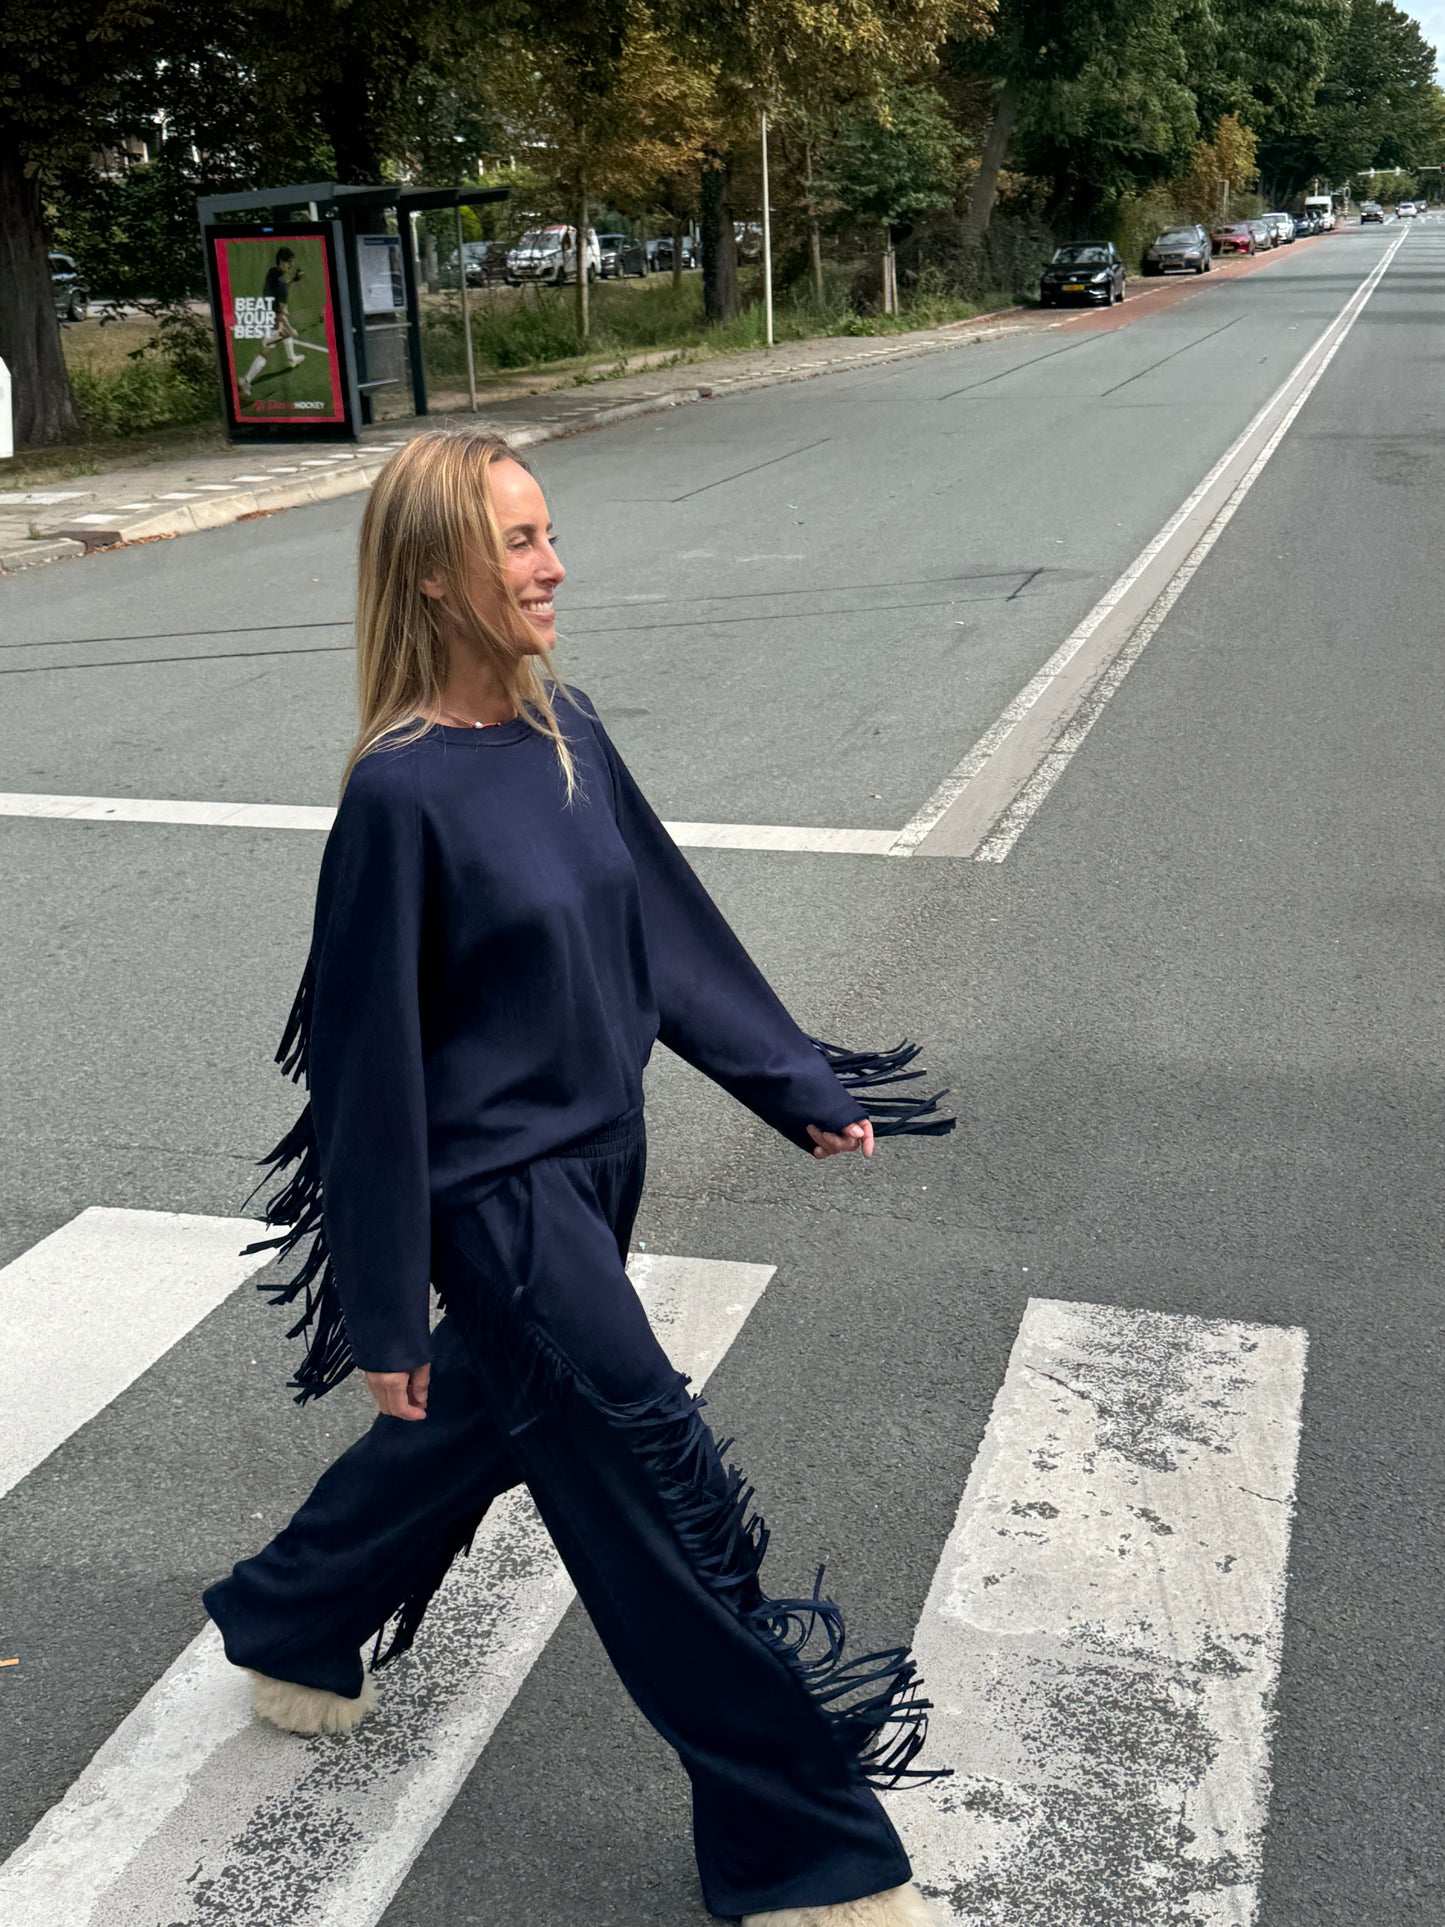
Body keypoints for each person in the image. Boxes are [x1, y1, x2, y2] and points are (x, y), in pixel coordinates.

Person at [203, 425, 954, 1926]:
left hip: (599, 1169)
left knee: (489, 1419)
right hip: (503, 1205)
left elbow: (666, 931)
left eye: (548, 535)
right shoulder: (399, 795)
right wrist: (385, 1306)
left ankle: (293, 1611)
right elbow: (364, 1064)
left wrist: (790, 1083)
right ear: (435, 574)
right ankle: (800, 1851)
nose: (554, 567)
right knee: (661, 1509)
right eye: (520, 542)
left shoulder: (569, 729)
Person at [238, 245, 305, 401]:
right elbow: (281, 314)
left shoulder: (272, 272)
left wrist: (293, 280)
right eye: (289, 263)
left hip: (265, 313)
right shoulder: (282, 286)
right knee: (266, 352)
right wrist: (291, 330)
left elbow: (281, 285)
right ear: (282, 262)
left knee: (284, 336)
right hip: (273, 321)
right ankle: (245, 381)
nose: (291, 266)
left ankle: (292, 358)